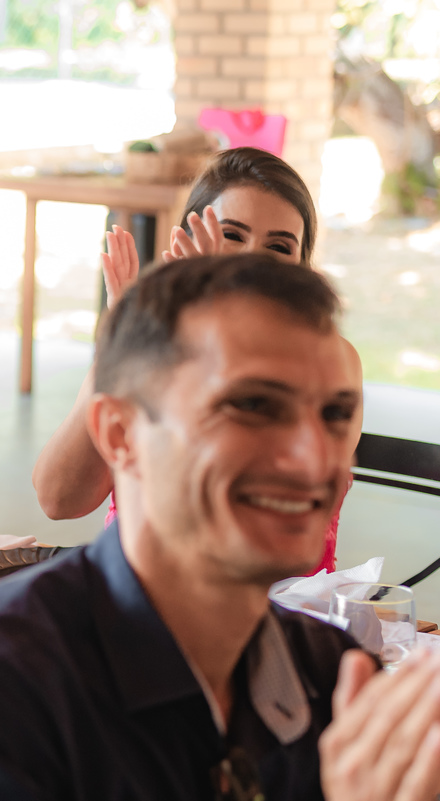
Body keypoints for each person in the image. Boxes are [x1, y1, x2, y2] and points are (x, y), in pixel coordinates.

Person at [0, 253, 440, 801]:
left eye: (335, 415)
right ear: (120, 435)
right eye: (255, 406)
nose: (314, 457)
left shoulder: (330, 675)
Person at [31, 146, 360, 573]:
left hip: (279, 615)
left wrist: (199, 332)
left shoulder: (333, 364)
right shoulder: (152, 343)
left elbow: (230, 514)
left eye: (278, 246)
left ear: (302, 268)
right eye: (232, 235)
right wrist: (130, 342)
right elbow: (59, 499)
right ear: (185, 240)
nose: (250, 262)